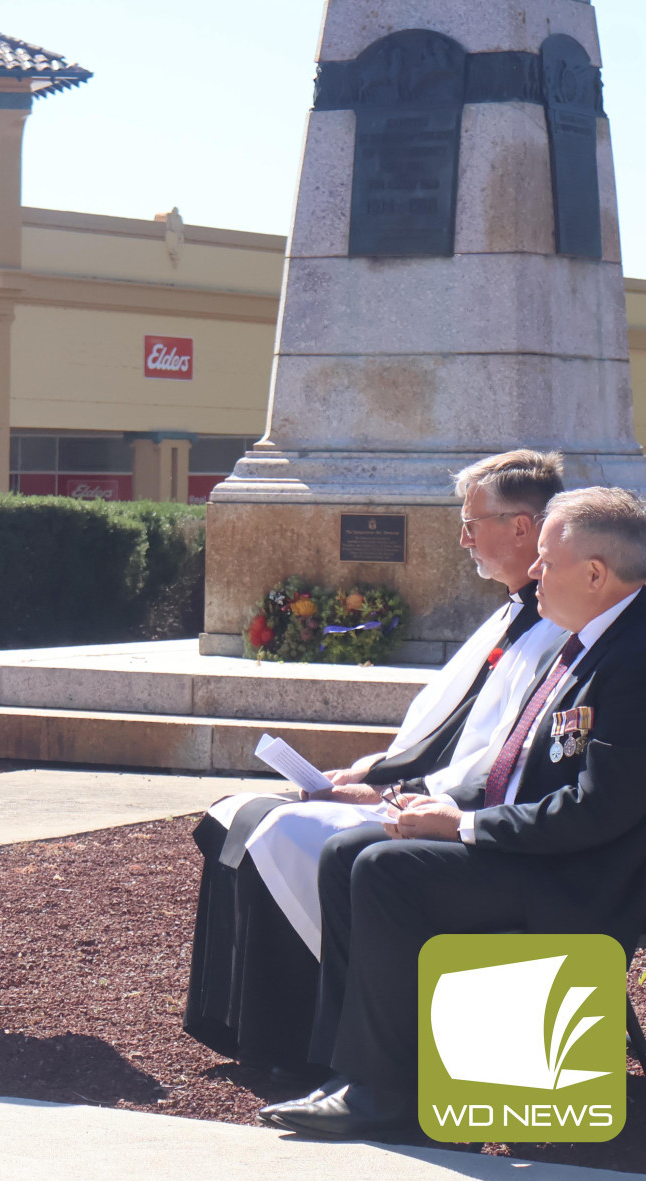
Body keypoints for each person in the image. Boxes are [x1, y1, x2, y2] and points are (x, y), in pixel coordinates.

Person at [261, 486, 646, 1138]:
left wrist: (461, 826)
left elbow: (596, 810)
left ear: (596, 573)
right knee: (346, 852)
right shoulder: (588, 639)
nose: (535, 575)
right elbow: (523, 765)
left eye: (546, 562)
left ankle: (387, 1094)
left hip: (581, 876)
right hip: (538, 851)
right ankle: (352, 1070)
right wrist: (443, 803)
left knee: (386, 871)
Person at [185, 450, 567, 1071]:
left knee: (281, 829)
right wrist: (374, 768)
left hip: (459, 817)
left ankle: (297, 1043)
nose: (463, 536)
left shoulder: (554, 627)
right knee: (239, 815)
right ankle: (250, 1028)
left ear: (521, 526)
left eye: (473, 521)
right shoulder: (511, 612)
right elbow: (454, 724)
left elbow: (495, 759)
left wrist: (391, 791)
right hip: (426, 792)